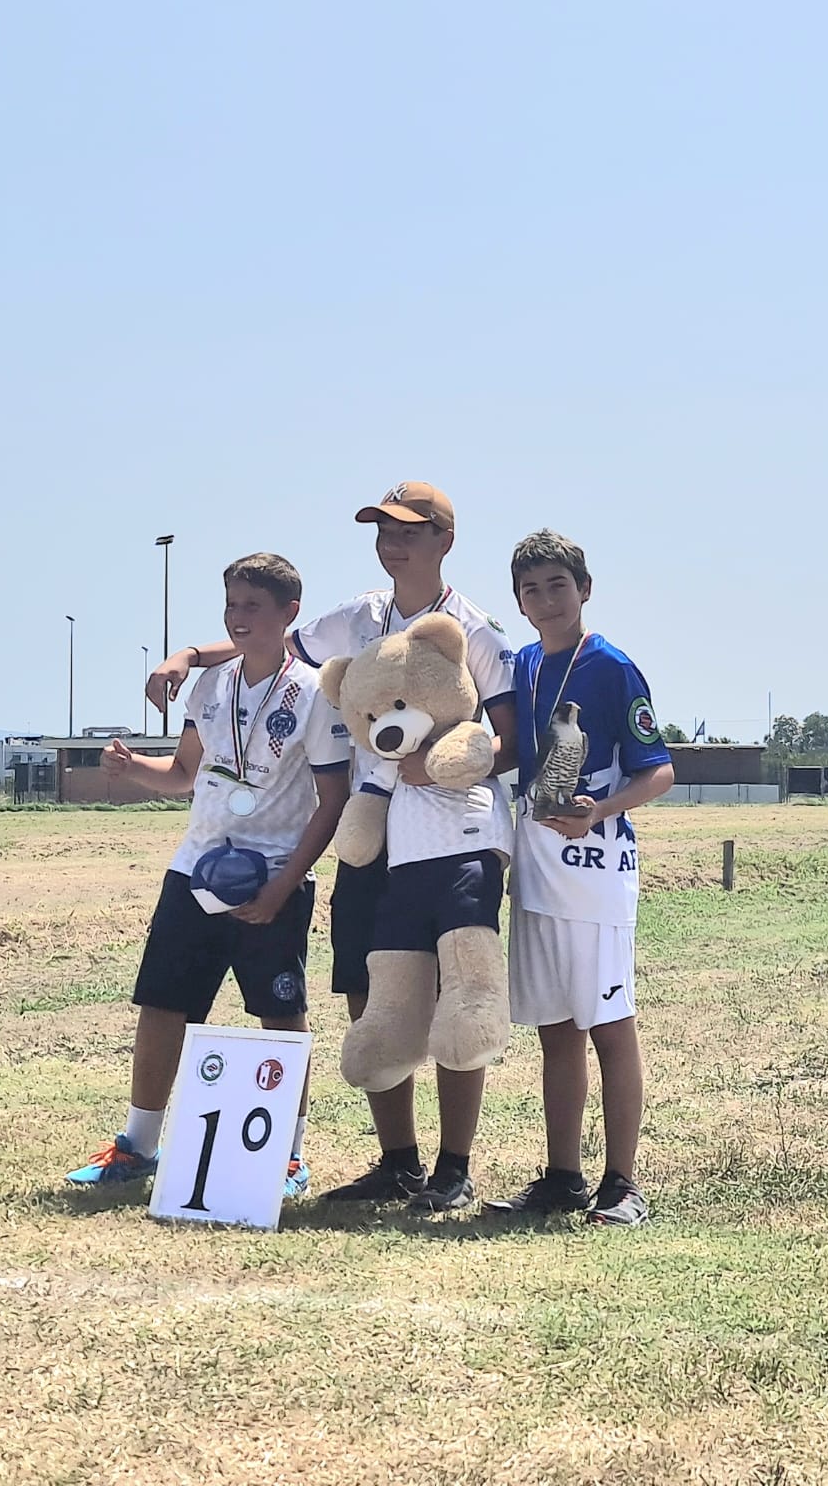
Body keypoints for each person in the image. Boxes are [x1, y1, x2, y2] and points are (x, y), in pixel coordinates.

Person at [148, 483, 516, 1211]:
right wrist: (187, 654)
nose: (392, 543)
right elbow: (269, 644)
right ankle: (398, 1160)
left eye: (409, 530)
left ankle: (454, 1166)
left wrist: (443, 760)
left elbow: (510, 738)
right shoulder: (359, 616)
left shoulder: (474, 630)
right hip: (369, 836)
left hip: (450, 836)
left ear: (444, 540)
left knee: (450, 991)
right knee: (365, 987)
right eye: (383, 529)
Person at [66, 554, 349, 1199]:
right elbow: (183, 775)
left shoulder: (315, 693)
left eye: (253, 606)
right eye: (231, 605)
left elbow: (332, 801)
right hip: (195, 872)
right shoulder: (210, 687)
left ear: (289, 613)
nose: (238, 618)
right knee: (163, 1004)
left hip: (272, 879)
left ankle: (288, 1155)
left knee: (281, 1015)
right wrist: (131, 767)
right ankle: (138, 1146)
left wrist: (283, 886)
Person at [485, 529, 673, 1225]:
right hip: (536, 872)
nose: (545, 600)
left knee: (609, 1027)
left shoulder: (611, 665)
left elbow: (660, 770)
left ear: (584, 589)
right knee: (556, 1030)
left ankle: (623, 1184)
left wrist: (600, 811)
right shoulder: (524, 664)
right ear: (519, 603)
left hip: (595, 876)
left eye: (557, 585)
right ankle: (563, 1176)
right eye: (531, 590)